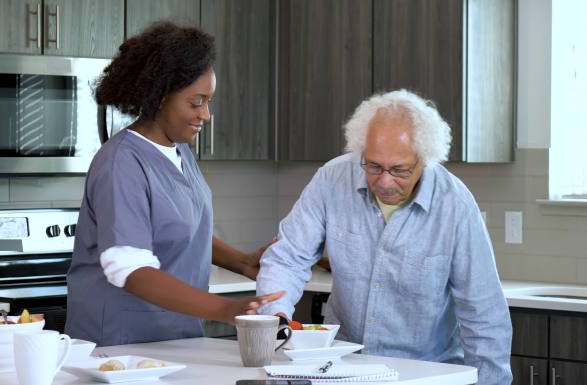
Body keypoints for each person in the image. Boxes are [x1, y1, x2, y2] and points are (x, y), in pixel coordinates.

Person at [256, 89, 512, 384]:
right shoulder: (332, 180)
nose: (385, 181)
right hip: (340, 369)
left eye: (399, 170)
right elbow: (287, 258)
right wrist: (277, 316)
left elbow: (483, 315)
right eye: (374, 166)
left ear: (424, 159)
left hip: (425, 374)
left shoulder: (455, 205)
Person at [66, 22, 283, 347]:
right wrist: (226, 308)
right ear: (159, 98)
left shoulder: (179, 151)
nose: (206, 115)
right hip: (119, 345)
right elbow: (129, 269)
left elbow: (181, 230)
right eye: (196, 103)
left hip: (173, 338)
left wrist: (241, 261)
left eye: (208, 102)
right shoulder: (122, 163)